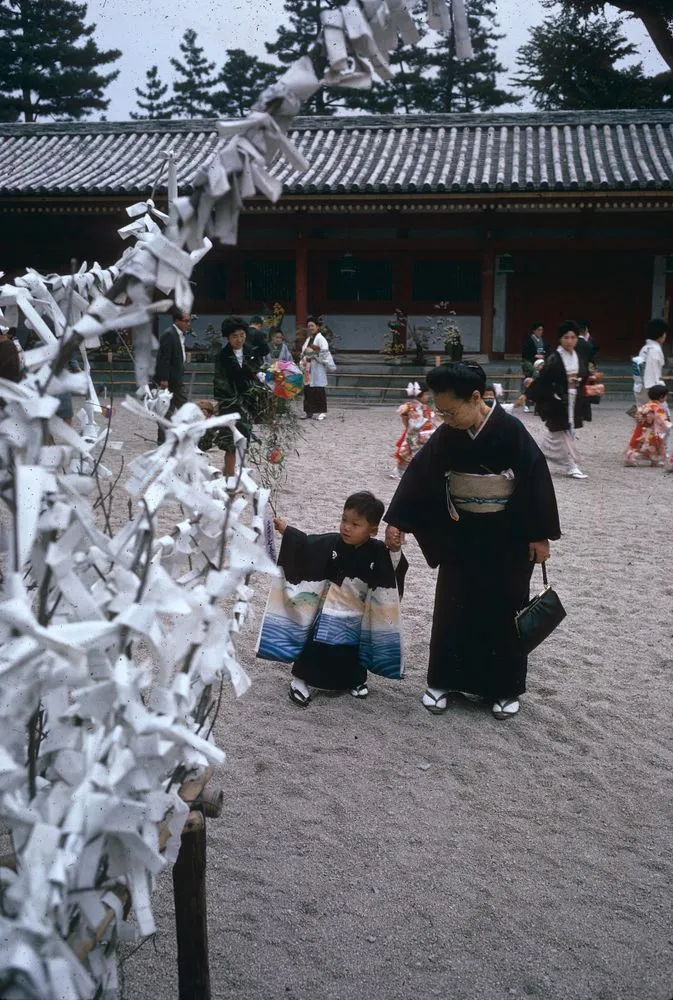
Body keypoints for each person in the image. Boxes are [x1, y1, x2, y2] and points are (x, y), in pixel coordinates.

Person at [384, 362, 560, 721]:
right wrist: (399, 519)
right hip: (461, 533)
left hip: (507, 537)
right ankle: (444, 680)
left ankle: (504, 687)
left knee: (505, 608)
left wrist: (539, 535)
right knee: (453, 607)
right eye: (440, 411)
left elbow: (536, 480)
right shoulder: (449, 434)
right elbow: (421, 475)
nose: (445, 418)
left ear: (477, 398)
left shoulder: (510, 431)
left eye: (450, 410)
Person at [257, 491, 408, 707]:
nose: (346, 527)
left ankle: (355, 681)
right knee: (315, 647)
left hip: (356, 612)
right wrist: (287, 531)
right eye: (344, 520)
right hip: (327, 609)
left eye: (356, 524)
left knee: (351, 651)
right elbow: (308, 544)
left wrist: (395, 549)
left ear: (373, 530)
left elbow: (391, 572)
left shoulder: (377, 552)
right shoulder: (332, 543)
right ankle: (299, 680)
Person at [525, 320, 590, 480]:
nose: (570, 341)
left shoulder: (577, 356)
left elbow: (583, 373)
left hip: (574, 397)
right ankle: (571, 465)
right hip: (558, 400)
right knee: (563, 432)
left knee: (560, 434)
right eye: (566, 337)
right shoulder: (555, 358)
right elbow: (543, 380)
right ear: (560, 339)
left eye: (573, 337)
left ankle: (536, 457)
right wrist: (528, 394)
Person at [213, 316, 261, 479]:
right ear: (228, 337)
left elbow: (258, 374)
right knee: (230, 444)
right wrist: (232, 400)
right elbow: (220, 382)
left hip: (247, 405)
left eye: (242, 335)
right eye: (234, 336)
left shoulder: (251, 352)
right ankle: (230, 479)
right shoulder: (222, 356)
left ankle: (230, 470)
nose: (239, 339)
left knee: (242, 442)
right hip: (230, 406)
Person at [154, 307, 189, 444]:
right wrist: (164, 378)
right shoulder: (170, 334)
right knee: (182, 408)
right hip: (170, 380)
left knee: (168, 410)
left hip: (176, 378)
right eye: (185, 321)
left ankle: (165, 439)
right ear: (177, 321)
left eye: (188, 321)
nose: (188, 324)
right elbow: (164, 358)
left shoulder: (178, 335)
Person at [391, 381, 437, 478]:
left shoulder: (424, 407)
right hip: (414, 433)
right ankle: (400, 471)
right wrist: (408, 428)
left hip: (422, 433)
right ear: (419, 394)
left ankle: (410, 471)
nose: (427, 396)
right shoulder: (409, 406)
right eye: (426, 394)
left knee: (418, 452)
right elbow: (404, 418)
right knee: (409, 452)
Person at [625, 384, 671, 467]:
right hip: (652, 431)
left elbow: (638, 414)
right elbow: (662, 420)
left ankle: (633, 455)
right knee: (653, 445)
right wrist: (669, 424)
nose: (666, 398)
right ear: (661, 397)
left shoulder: (646, 405)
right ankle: (634, 457)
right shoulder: (658, 408)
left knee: (641, 444)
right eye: (666, 396)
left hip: (641, 429)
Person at [300, 316, 331, 421]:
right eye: (309, 326)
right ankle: (309, 411)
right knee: (308, 390)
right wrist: (303, 356)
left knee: (318, 389)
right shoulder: (309, 339)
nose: (310, 328)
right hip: (308, 367)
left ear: (317, 326)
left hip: (317, 366)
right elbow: (304, 351)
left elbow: (324, 352)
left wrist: (314, 355)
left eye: (312, 325)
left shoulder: (321, 339)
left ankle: (322, 411)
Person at [632, 318, 668, 408]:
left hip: (640, 389)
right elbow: (652, 375)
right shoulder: (654, 351)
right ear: (660, 335)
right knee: (661, 419)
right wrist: (659, 394)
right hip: (651, 391)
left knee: (643, 418)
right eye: (664, 333)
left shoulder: (645, 349)